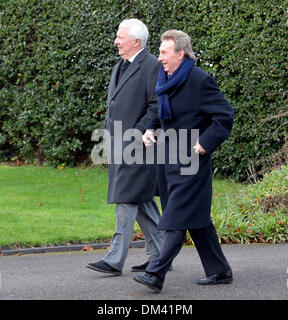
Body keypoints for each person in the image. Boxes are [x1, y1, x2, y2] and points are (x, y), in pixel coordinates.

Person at [133, 30, 235, 293]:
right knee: (196, 219)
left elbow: (224, 115)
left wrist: (204, 143)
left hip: (191, 160)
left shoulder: (200, 80)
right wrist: (149, 128)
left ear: (180, 54)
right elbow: (162, 111)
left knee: (175, 217)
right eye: (160, 52)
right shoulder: (165, 78)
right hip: (167, 160)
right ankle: (220, 270)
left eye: (164, 53)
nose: (159, 58)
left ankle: (155, 273)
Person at [87, 19, 165, 276]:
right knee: (141, 200)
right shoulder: (121, 66)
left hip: (138, 145)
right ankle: (162, 254)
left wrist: (137, 133)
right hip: (117, 144)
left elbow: (156, 107)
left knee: (126, 198)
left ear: (136, 41)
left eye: (120, 37)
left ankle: (114, 259)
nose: (115, 41)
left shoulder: (152, 66)